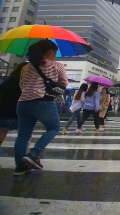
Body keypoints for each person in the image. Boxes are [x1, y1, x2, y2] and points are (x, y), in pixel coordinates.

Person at [14, 40, 68, 175]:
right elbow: (64, 84)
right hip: (43, 102)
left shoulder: (26, 67)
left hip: (23, 103)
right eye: (55, 52)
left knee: (23, 136)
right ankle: (34, 154)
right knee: (54, 127)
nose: (55, 55)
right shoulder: (57, 65)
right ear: (50, 51)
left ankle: (20, 167)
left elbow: (21, 85)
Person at [0, 62, 28, 168]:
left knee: (1, 135)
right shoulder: (23, 84)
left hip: (2, 113)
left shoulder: (6, 83)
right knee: (24, 137)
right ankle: (21, 163)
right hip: (15, 114)